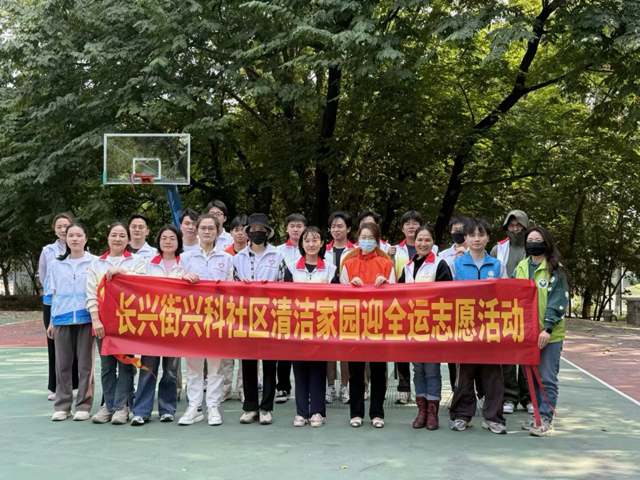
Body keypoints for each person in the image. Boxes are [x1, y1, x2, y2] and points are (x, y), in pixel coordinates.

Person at [449, 218, 507, 435]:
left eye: (481, 235)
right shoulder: (456, 265)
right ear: (465, 238)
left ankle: (493, 418)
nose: (476, 239)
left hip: (491, 329)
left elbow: (507, 296)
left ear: (488, 238)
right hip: (465, 328)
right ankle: (462, 416)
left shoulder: (498, 265)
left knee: (492, 375)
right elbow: (447, 297)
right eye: (472, 235)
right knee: (465, 375)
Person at [87, 222, 146, 425]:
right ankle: (108, 406)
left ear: (128, 239)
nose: (118, 239)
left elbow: (142, 283)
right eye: (114, 235)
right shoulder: (96, 264)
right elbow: (91, 294)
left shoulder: (137, 261)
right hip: (103, 323)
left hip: (127, 323)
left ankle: (122, 407)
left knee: (125, 365)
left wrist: (121, 271)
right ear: (108, 238)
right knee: (107, 366)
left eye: (122, 235)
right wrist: (95, 319)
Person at [179, 214, 235, 426]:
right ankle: (194, 407)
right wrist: (183, 278)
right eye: (203, 228)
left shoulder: (227, 259)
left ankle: (213, 407)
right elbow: (174, 286)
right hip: (192, 319)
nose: (207, 232)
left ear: (218, 231)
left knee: (215, 366)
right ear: (197, 230)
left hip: (217, 319)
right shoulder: (185, 258)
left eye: (211, 228)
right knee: (193, 367)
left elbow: (232, 289)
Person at [340, 222, 395, 428]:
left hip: (379, 322)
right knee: (356, 371)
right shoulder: (348, 264)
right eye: (363, 237)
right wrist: (351, 286)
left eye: (371, 238)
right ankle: (356, 413)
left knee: (378, 370)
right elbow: (340, 294)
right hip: (354, 322)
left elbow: (395, 294)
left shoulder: (386, 263)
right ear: (357, 239)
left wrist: (385, 284)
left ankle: (377, 413)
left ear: (377, 241)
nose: (367, 241)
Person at [234, 213, 287, 425]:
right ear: (248, 232)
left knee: (269, 362)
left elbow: (284, 286)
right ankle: (250, 407)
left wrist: (270, 288)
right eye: (254, 229)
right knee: (248, 362)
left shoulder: (278, 255)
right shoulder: (238, 257)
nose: (257, 233)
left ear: (267, 232)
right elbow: (233, 286)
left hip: (269, 315)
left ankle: (266, 407)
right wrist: (242, 286)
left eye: (261, 230)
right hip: (246, 316)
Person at [398, 225, 452, 430]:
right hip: (412, 327)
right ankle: (421, 411)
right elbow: (398, 293)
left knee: (431, 370)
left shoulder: (440, 264)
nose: (423, 244)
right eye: (420, 240)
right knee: (418, 370)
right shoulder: (408, 266)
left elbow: (447, 295)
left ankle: (432, 413)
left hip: (433, 326)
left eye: (427, 240)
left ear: (433, 242)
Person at [516, 227, 569, 437]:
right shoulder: (521, 267)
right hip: (527, 334)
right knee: (532, 378)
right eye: (530, 240)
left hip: (549, 335)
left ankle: (546, 418)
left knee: (546, 378)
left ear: (547, 243)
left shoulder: (555, 270)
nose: (533, 244)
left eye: (538, 240)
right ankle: (536, 417)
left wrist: (547, 328)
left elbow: (558, 301)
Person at [130, 225, 184, 426]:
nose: (168, 242)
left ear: (178, 242)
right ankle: (141, 411)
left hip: (175, 325)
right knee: (148, 368)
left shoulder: (185, 264)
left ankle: (167, 409)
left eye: (172, 238)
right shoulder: (147, 264)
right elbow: (132, 279)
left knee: (170, 370)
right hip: (152, 324)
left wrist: (191, 279)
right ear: (158, 241)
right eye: (164, 238)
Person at [285, 227, 337, 427]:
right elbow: (285, 297)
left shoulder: (330, 269)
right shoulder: (291, 268)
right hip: (297, 326)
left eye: (315, 240)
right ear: (301, 244)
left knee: (318, 369)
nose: (311, 244)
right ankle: (301, 412)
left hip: (322, 325)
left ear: (322, 243)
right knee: (299, 370)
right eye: (307, 240)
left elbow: (337, 299)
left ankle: (317, 411)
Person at [47, 223, 95, 421]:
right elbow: (53, 293)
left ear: (86, 238)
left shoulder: (95, 262)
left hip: (87, 318)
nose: (75, 239)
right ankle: (63, 406)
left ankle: (83, 405)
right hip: (61, 319)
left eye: (79, 235)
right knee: (62, 365)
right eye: (71, 235)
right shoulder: (56, 264)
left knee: (85, 365)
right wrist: (51, 321)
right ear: (65, 239)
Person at [490, 210, 533, 415]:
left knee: (526, 353)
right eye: (511, 226)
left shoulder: (533, 247)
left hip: (528, 307)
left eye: (519, 225)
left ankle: (528, 396)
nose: (515, 229)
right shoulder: (498, 249)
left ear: (526, 227)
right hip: (504, 307)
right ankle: (509, 396)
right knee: (506, 354)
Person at [38, 213, 78, 401]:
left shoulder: (80, 247)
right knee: (55, 344)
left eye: (66, 226)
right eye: (59, 226)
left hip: (77, 304)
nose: (63, 230)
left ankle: (76, 384)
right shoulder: (48, 251)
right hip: (53, 303)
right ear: (54, 229)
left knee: (78, 346)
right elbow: (43, 276)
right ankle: (56, 386)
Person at [273, 213, 307, 404]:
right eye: (292, 226)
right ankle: (283, 387)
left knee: (305, 348)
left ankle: (308, 387)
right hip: (284, 306)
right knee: (284, 349)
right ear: (286, 229)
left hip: (307, 308)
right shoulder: (277, 252)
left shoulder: (312, 249)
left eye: (299, 226)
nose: (295, 229)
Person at [392, 210, 425, 404]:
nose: (411, 226)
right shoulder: (394, 251)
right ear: (402, 228)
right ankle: (404, 390)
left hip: (424, 306)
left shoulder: (432, 248)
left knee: (422, 350)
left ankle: (423, 391)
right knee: (401, 350)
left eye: (415, 223)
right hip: (400, 306)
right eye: (407, 223)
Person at [437, 215, 470, 393]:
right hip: (450, 311)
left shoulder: (477, 250)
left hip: (472, 310)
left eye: (462, 229)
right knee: (453, 355)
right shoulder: (442, 256)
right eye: (455, 230)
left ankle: (478, 393)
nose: (459, 233)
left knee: (473, 354)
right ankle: (456, 392)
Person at [324, 211, 355, 404]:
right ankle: (329, 385)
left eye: (340, 226)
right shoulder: (323, 250)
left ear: (348, 229)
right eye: (333, 226)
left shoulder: (356, 251)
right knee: (328, 346)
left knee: (345, 346)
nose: (336, 230)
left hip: (348, 305)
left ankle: (346, 385)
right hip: (326, 305)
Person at [221, 214, 248, 401]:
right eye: (236, 230)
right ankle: (225, 388)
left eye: (243, 230)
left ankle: (244, 388)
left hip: (248, 309)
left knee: (246, 352)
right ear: (230, 232)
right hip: (227, 308)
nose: (240, 233)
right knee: (227, 352)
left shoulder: (252, 254)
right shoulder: (223, 255)